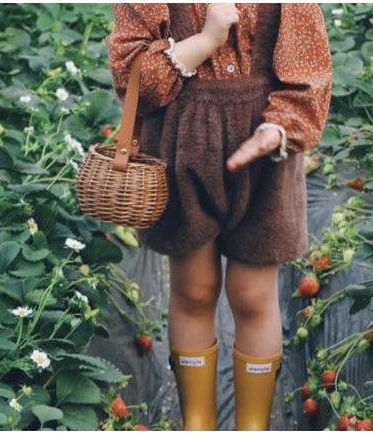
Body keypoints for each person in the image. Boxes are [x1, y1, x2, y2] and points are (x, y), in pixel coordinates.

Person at [107, 3, 332, 430]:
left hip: (266, 156)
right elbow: (134, 80)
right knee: (194, 289)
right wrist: (205, 40)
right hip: (180, 153)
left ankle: (253, 424)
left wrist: (279, 128)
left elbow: (309, 75)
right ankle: (198, 421)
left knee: (252, 294)